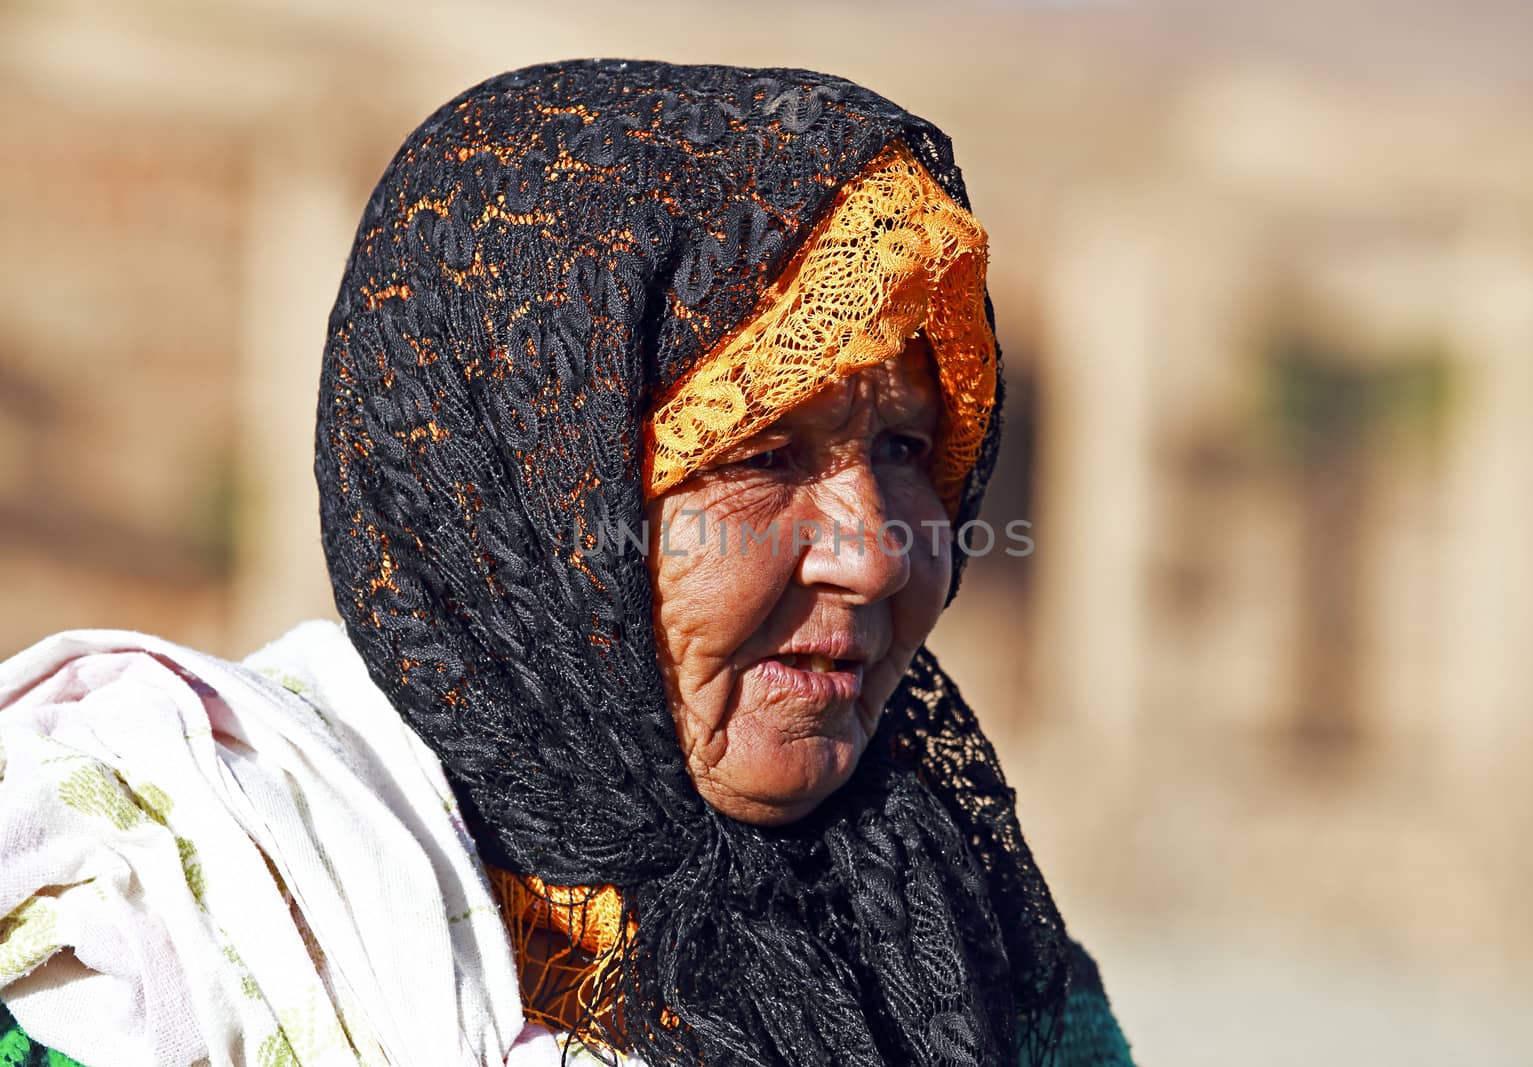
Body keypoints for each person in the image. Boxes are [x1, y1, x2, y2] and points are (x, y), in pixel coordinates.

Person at [0, 60, 1134, 1066]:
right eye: (763, 453)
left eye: (906, 448)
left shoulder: (973, 963)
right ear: (520, 504)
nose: (877, 552)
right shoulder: (122, 924)